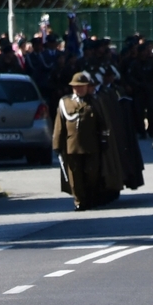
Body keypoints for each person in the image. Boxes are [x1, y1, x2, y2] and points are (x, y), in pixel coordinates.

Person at [53, 72, 104, 210]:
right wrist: (57, 145)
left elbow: (103, 122)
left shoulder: (94, 101)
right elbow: (59, 125)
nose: (79, 89)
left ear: (88, 87)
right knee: (75, 176)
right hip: (72, 146)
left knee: (92, 173)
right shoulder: (65, 103)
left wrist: (105, 140)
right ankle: (79, 201)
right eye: (76, 87)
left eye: (82, 86)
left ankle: (90, 197)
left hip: (91, 145)